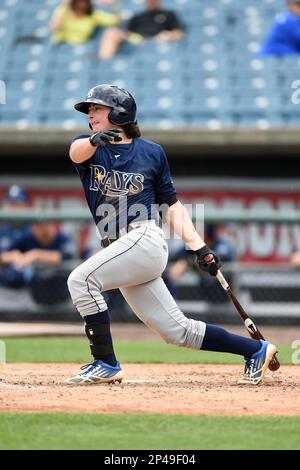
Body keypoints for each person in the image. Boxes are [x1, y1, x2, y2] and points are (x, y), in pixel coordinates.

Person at [66, 83, 277, 386]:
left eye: (98, 108)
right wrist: (94, 141)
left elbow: (173, 206)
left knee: (81, 280)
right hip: (124, 249)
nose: (91, 115)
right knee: (177, 331)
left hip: (143, 239)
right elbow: (75, 153)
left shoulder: (151, 152)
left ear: (120, 111)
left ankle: (105, 362)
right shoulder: (87, 146)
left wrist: (199, 247)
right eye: (89, 110)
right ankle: (256, 350)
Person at [165, 224, 236, 300]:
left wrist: (189, 261)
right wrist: (184, 261)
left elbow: (214, 258)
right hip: (205, 293)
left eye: (201, 233)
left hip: (225, 294)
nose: (198, 235)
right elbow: (173, 256)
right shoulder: (194, 245)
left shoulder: (222, 243)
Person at [0, 221, 75, 289]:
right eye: (37, 225)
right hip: (34, 288)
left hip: (60, 285)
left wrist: (35, 254)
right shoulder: (28, 238)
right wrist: (15, 256)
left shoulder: (62, 238)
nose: (42, 229)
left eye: (45, 225)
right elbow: (4, 255)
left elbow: (63, 256)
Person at [99, 0, 184, 60]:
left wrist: (167, 35)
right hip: (137, 40)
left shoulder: (169, 14)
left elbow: (179, 33)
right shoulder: (138, 16)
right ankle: (104, 62)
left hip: (159, 41)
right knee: (111, 32)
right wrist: (135, 38)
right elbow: (128, 32)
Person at [49, 0, 120, 46]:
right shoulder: (63, 10)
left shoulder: (94, 15)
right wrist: (64, 6)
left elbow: (116, 20)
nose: (81, 4)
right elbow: (54, 28)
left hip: (81, 45)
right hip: (61, 44)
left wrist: (113, 4)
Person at [0, 185, 29, 254]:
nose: (13, 207)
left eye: (17, 204)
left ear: (25, 205)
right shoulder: (3, 230)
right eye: (11, 203)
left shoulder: (33, 230)